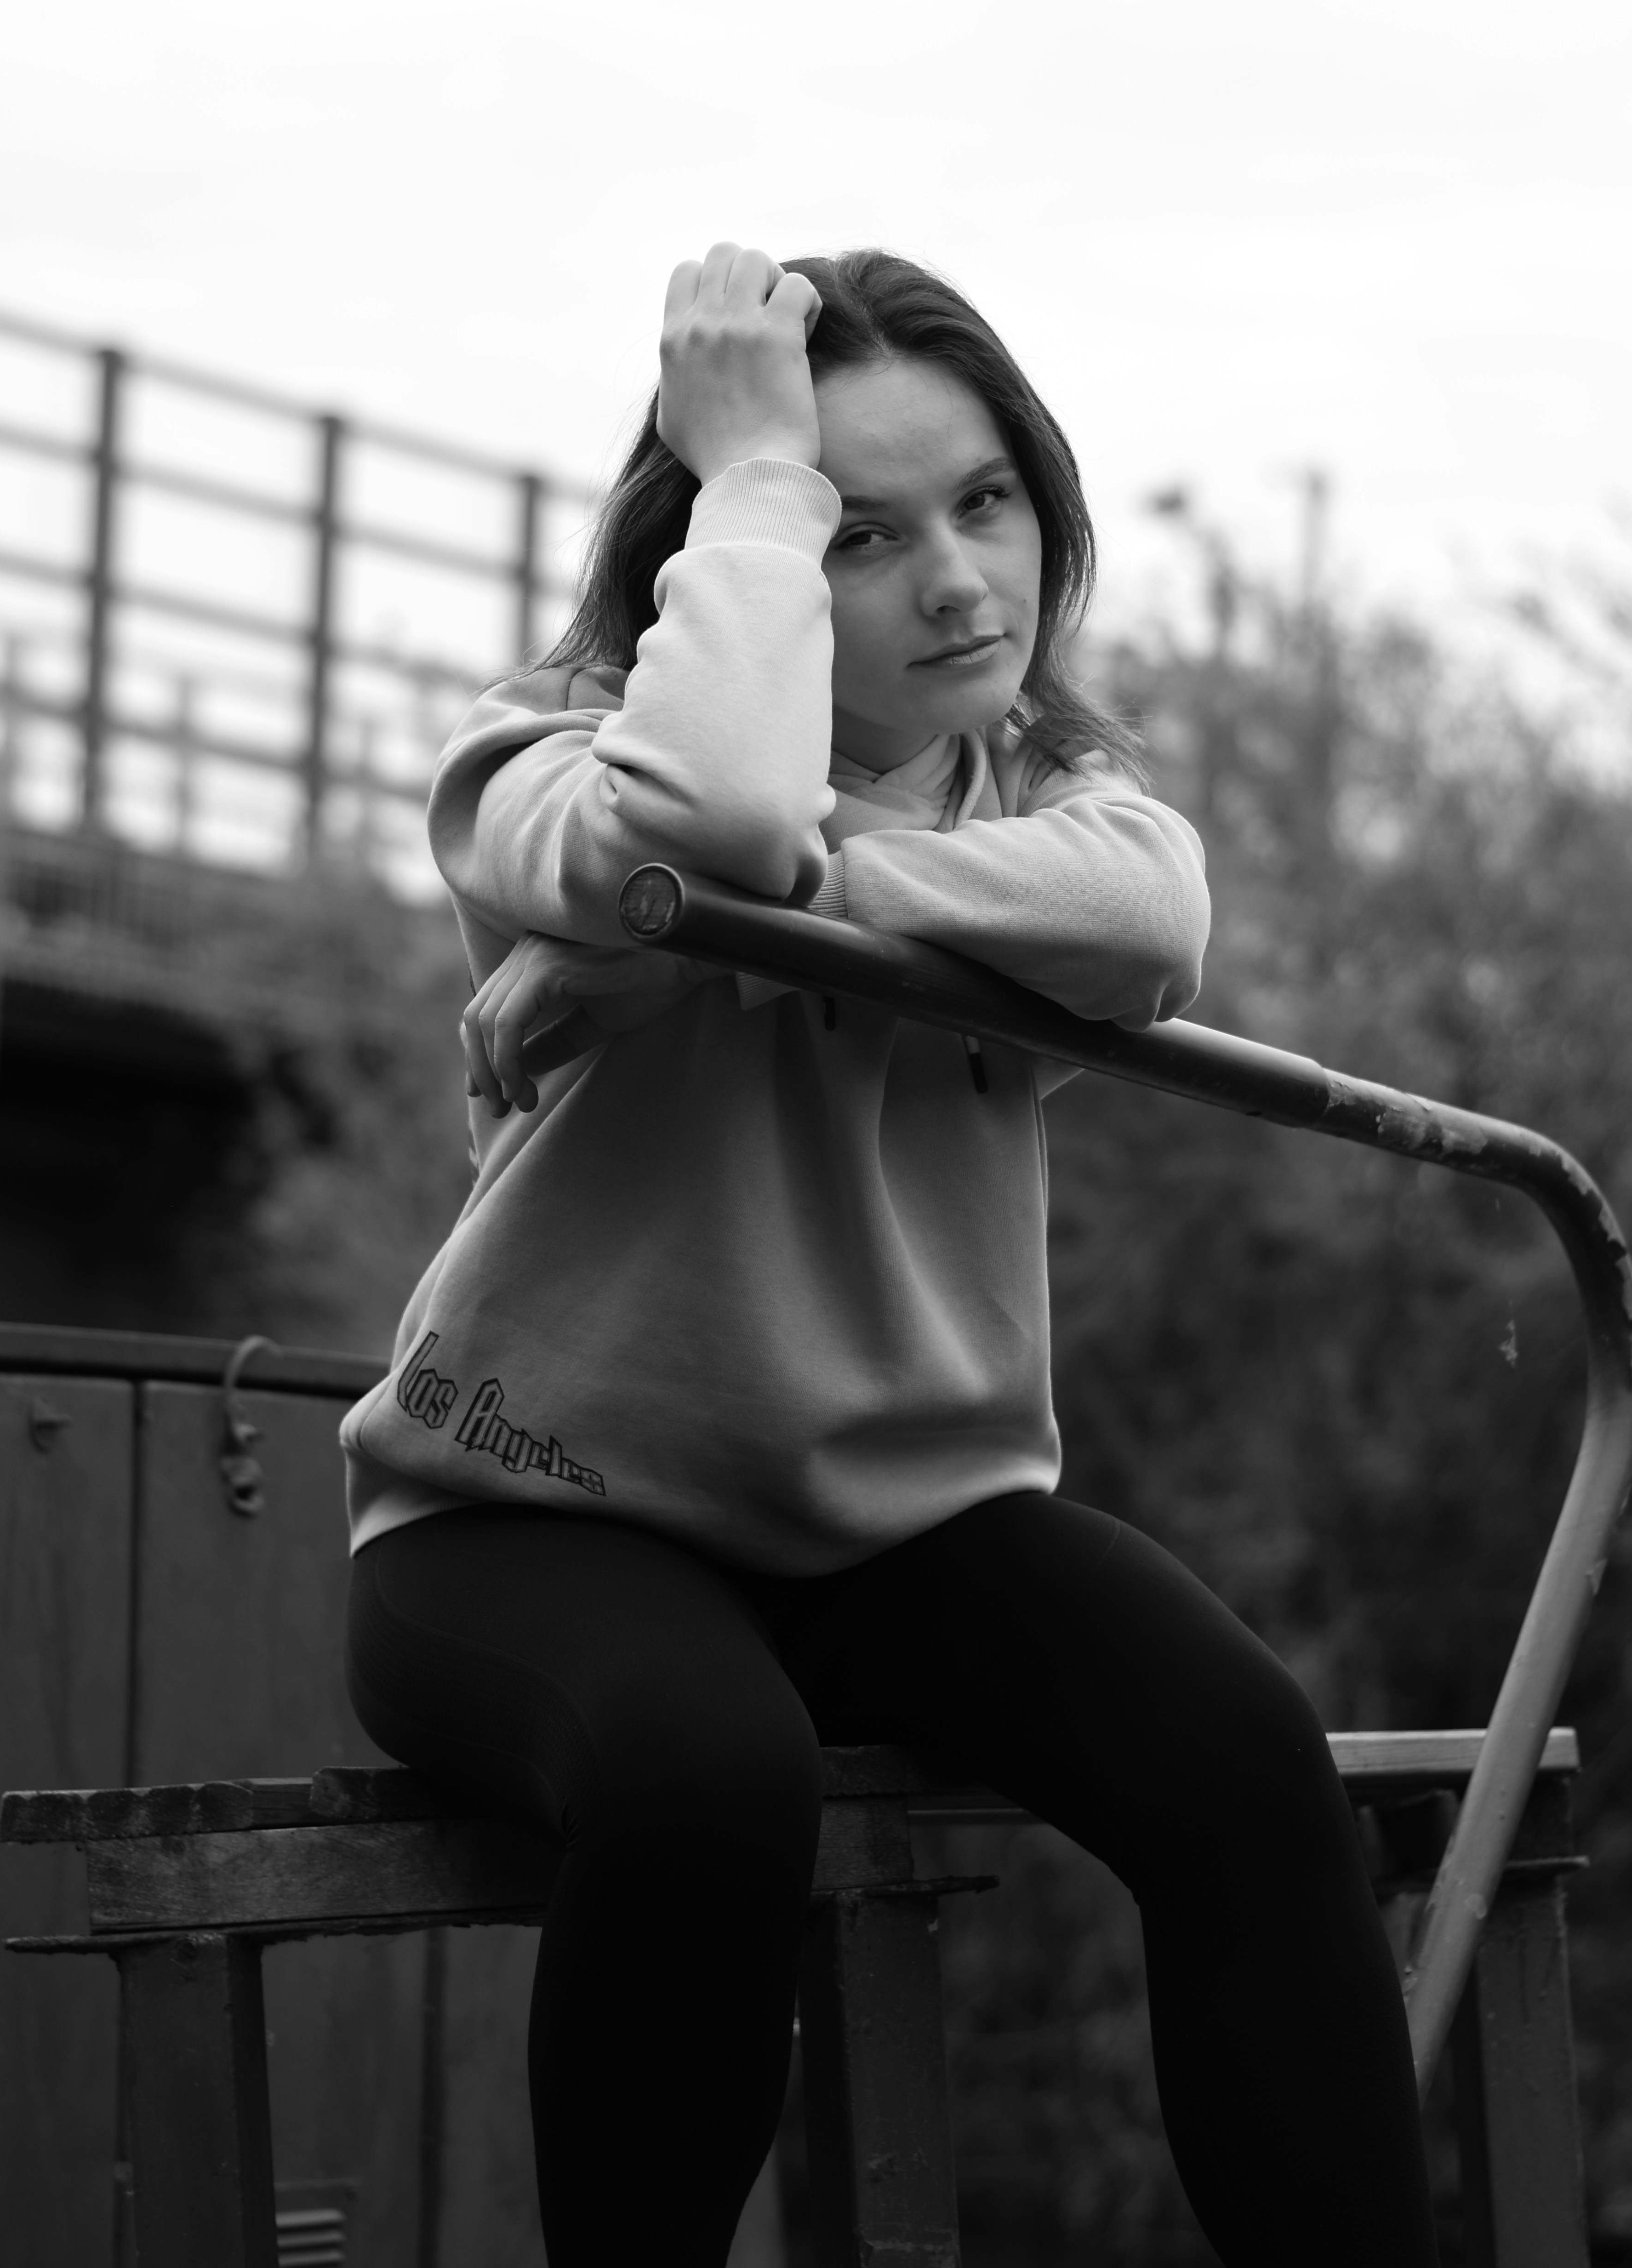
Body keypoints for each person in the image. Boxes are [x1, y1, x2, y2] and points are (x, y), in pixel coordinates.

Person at [339, 246, 1437, 2268]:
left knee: (1243, 1765)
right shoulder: (551, 765)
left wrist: (797, 903)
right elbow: (714, 812)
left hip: (900, 1534)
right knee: (703, 1778)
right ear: (730, 543)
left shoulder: (1050, 792)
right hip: (532, 1513)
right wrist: (749, 475)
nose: (957, 583)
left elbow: (1146, 917)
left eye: (987, 503)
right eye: (855, 533)